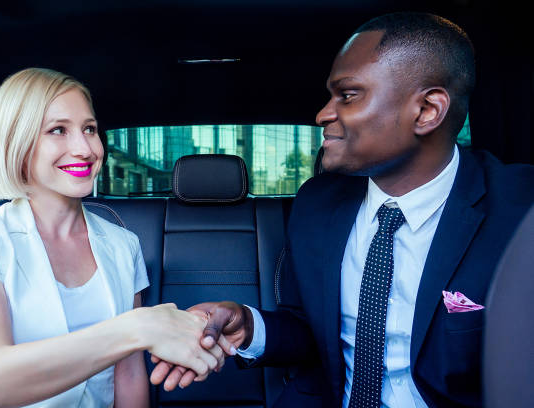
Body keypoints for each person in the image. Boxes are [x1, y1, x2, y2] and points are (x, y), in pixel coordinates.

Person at [150, 12, 534, 407]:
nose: (323, 114)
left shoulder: (522, 214)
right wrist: (248, 325)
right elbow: (312, 330)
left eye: (347, 96)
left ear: (427, 111)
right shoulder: (318, 203)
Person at [0, 68, 228, 408]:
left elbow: (129, 374)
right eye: (58, 130)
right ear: (18, 141)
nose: (86, 148)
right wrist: (138, 327)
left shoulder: (123, 244)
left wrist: (143, 332)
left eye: (89, 129)